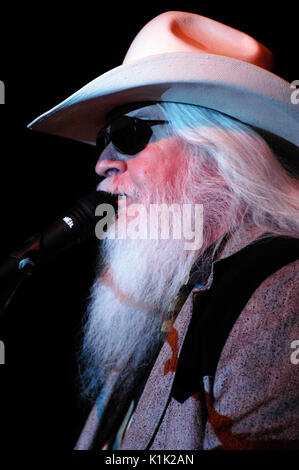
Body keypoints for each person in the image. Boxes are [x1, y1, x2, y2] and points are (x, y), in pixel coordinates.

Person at [27, 11, 299, 450]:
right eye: (102, 141)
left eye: (128, 133)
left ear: (215, 149)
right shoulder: (156, 306)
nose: (103, 163)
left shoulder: (283, 294)